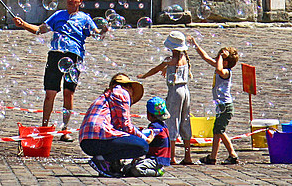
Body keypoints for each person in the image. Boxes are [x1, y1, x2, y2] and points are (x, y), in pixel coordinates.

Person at [13, 0, 105, 139]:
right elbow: (39, 30)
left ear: (80, 2)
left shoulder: (85, 18)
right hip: (55, 55)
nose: (70, 0)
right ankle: (44, 127)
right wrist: (23, 24)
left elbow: (97, 36)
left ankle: (64, 129)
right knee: (50, 93)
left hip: (74, 57)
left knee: (69, 93)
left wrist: (103, 31)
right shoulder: (58, 15)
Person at [78, 73, 152, 177]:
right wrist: (144, 138)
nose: (131, 96)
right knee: (142, 146)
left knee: (131, 141)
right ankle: (103, 160)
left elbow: (119, 127)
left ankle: (107, 163)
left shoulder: (108, 95)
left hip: (86, 142)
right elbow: (126, 125)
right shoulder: (122, 92)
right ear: (128, 87)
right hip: (98, 137)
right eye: (132, 92)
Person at [137, 30, 193, 164]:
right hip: (186, 91)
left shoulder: (170, 60)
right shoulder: (184, 57)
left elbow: (155, 69)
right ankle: (187, 156)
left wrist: (144, 76)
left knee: (172, 121)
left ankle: (172, 157)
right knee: (185, 121)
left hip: (175, 91)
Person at [190, 40, 240, 165]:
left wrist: (221, 58)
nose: (217, 59)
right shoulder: (221, 67)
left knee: (218, 131)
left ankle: (217, 157)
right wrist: (196, 45)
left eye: (220, 58)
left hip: (226, 106)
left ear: (225, 62)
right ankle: (226, 155)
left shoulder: (226, 72)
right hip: (221, 106)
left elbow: (218, 70)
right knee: (219, 131)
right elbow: (205, 57)